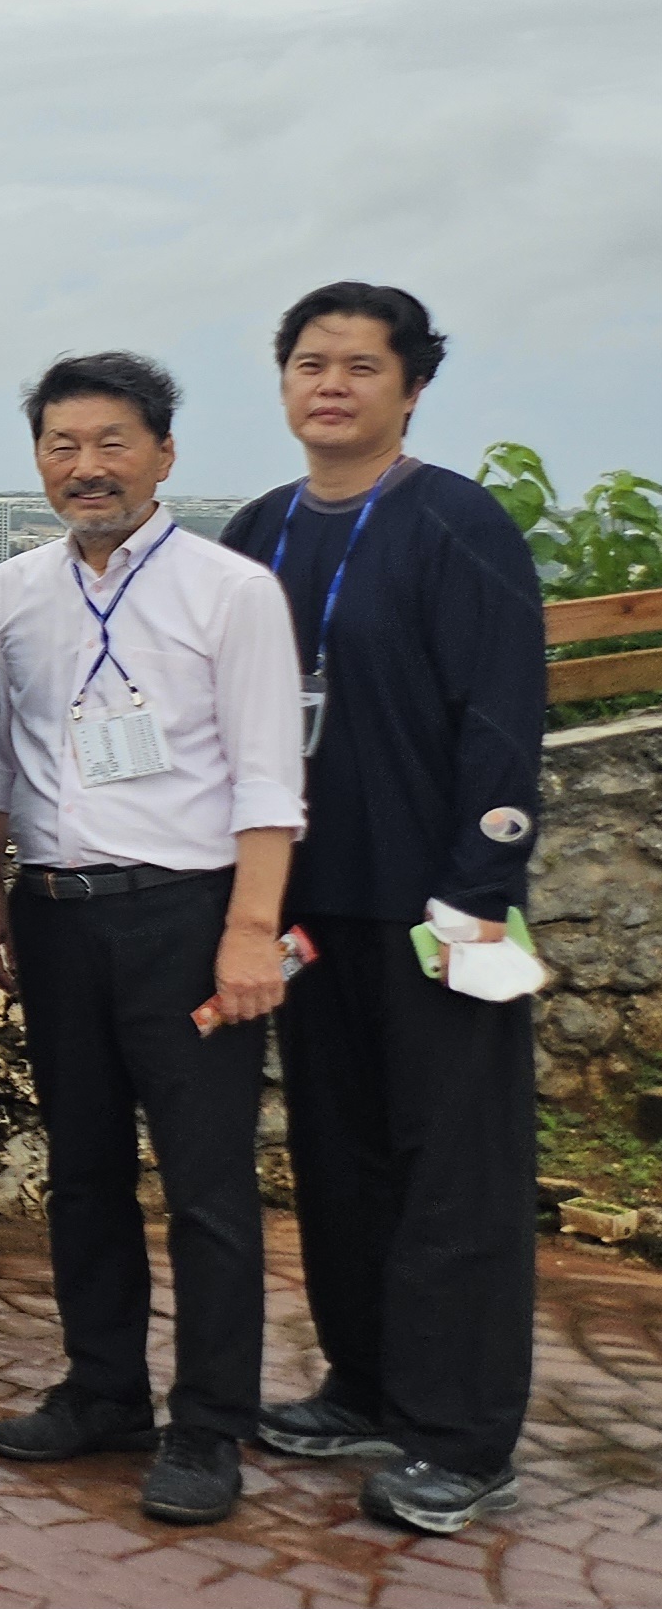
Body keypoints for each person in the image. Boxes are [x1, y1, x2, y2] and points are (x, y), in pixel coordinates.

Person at [224, 284, 546, 1538]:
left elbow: (503, 725)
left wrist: (479, 893)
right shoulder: (258, 530)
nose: (332, 384)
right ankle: (363, 1382)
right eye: (311, 362)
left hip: (443, 911)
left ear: (411, 386)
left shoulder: (456, 522)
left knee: (457, 1174)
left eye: (362, 365)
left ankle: (463, 1438)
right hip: (308, 909)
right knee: (339, 1161)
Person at [0, 355, 304, 1526]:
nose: (86, 466)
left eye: (111, 441)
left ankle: (212, 1423)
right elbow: (2, 756)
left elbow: (272, 776)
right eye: (62, 444)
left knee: (209, 1184)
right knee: (87, 1169)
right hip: (59, 911)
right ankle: (104, 1386)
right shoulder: (17, 589)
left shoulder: (230, 589)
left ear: (163, 453)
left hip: (190, 914)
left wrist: (251, 930)